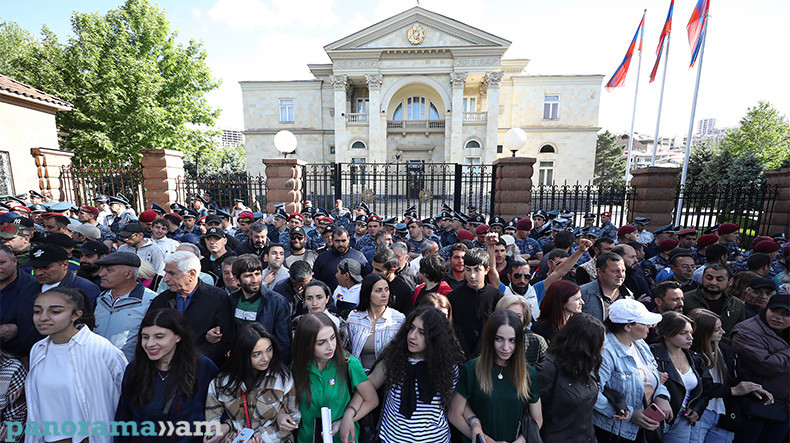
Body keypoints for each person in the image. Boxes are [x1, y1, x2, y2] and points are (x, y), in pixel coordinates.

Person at [27, 288, 127, 443]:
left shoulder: (101, 349)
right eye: (37, 311)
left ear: (76, 314)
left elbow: (126, 397)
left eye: (55, 312)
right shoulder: (38, 349)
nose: (43, 318)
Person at [360, 306, 465, 443]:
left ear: (435, 338)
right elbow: (368, 386)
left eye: (422, 332)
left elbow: (456, 404)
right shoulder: (393, 359)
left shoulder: (448, 367)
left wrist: (475, 425)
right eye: (411, 328)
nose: (412, 335)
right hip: (392, 439)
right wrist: (349, 415)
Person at [115, 309, 219, 442]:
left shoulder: (202, 368)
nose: (150, 344)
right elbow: (123, 419)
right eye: (145, 337)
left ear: (178, 336)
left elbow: (221, 408)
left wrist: (224, 426)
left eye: (159, 337)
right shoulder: (135, 370)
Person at [449, 309, 542, 443]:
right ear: (489, 339)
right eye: (499, 339)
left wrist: (519, 442)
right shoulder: (472, 369)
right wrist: (485, 439)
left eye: (512, 340)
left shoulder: (528, 374)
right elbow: (454, 414)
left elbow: (537, 420)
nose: (506, 347)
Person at [688, 308, 774, 443]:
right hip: (700, 413)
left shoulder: (726, 350)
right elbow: (705, 386)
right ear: (703, 332)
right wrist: (733, 391)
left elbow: (740, 373)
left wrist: (753, 387)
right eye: (717, 330)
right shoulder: (690, 355)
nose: (723, 332)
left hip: (724, 412)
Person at [291, 312, 378, 443]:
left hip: (343, 437)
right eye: (321, 343)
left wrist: (346, 419)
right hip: (307, 438)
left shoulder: (349, 363)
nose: (330, 346)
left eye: (333, 338)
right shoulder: (296, 367)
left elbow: (371, 399)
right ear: (306, 345)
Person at [204, 323, 300, 442]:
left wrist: (261, 439)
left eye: (269, 350)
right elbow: (211, 421)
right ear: (242, 356)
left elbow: (294, 418)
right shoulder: (221, 382)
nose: (265, 358)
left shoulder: (282, 378)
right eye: (257, 354)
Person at [594, 299, 672, 443]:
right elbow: (593, 393)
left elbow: (654, 376)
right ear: (628, 326)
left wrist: (662, 396)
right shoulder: (605, 353)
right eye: (644, 323)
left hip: (641, 432)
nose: (651, 326)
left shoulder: (640, 344)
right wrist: (629, 414)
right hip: (614, 433)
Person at [148, 251, 234, 364]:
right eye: (165, 273)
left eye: (172, 274)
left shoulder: (218, 298)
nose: (165, 279)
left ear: (192, 274)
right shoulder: (161, 300)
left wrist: (199, 361)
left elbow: (226, 339)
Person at [730, 294, 790, 443]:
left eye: (786, 314)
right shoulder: (746, 331)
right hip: (756, 406)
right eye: (774, 311)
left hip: (783, 408)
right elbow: (767, 365)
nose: (778, 317)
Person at [536, 313, 606, 442]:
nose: (603, 347)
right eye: (599, 342)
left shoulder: (583, 366)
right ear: (584, 344)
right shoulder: (549, 369)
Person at [93, 252, 157, 360]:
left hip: (128, 370)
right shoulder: (101, 298)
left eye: (109, 270)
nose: (101, 274)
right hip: (97, 366)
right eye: (102, 269)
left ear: (128, 274)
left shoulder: (150, 301)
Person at [229, 254, 292, 361]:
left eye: (257, 274)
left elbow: (284, 343)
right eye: (248, 276)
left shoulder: (277, 302)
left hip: (268, 363)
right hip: (239, 363)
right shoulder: (231, 300)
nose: (254, 280)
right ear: (237, 279)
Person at [447, 248, 504, 359]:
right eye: (468, 270)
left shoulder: (497, 296)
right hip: (460, 355)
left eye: (477, 270)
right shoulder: (453, 296)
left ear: (486, 270)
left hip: (488, 355)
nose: (472, 276)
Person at [345, 273, 405, 371]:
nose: (384, 294)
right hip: (358, 375)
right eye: (378, 291)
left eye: (387, 289)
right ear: (368, 293)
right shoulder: (354, 317)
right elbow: (347, 349)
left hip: (387, 375)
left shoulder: (398, 319)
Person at [495, 294, 548, 366]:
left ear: (524, 318)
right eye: (509, 315)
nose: (512, 320)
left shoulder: (537, 341)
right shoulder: (490, 338)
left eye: (518, 316)